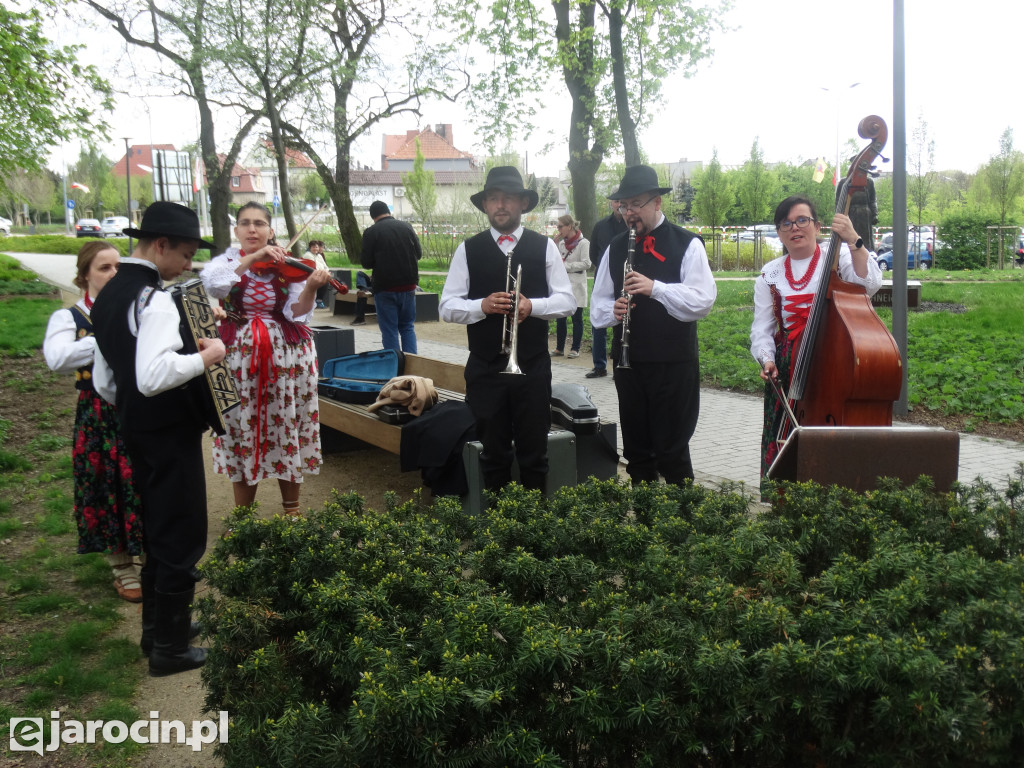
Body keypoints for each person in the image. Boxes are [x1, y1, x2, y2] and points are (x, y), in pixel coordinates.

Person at [90, 202, 227, 676]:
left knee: (157, 527)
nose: (188, 266)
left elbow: (106, 380)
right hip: (168, 432)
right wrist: (210, 355)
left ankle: (158, 630)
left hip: (136, 428)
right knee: (182, 531)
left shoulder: (108, 294)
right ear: (161, 245)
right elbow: (152, 374)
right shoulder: (156, 299)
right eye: (186, 254)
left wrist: (134, 410)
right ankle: (169, 649)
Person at [439, 166, 575, 491]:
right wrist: (480, 306)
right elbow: (446, 307)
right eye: (494, 198)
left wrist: (534, 306)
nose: (501, 205)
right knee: (493, 457)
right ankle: (500, 533)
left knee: (534, 456)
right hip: (486, 369)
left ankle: (531, 532)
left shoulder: (544, 247)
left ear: (522, 204)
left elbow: (567, 301)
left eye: (508, 199)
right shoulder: (467, 249)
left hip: (532, 367)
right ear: (485, 205)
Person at [201, 201, 329, 518]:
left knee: (287, 424)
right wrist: (256, 257)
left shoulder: (288, 265)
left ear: (271, 230)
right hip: (239, 358)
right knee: (242, 428)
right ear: (236, 230)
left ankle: (292, 511)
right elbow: (215, 283)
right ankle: (244, 516)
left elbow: (298, 313)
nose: (252, 229)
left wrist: (311, 287)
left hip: (286, 358)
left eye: (259, 223)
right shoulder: (228, 261)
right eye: (245, 223)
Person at [591, 165, 717, 486]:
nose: (628, 212)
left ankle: (681, 525)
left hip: (673, 365)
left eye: (636, 204)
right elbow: (597, 309)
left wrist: (655, 288)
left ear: (657, 203)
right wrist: (613, 310)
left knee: (673, 452)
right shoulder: (615, 247)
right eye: (624, 206)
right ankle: (646, 526)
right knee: (637, 454)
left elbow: (703, 301)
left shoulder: (687, 244)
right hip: (629, 365)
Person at [751, 195, 883, 479]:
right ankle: (783, 496)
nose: (795, 228)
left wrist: (854, 239)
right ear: (779, 233)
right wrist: (767, 360)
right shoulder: (768, 275)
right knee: (784, 431)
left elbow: (869, 285)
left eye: (802, 220)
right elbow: (761, 330)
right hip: (789, 367)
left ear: (818, 226)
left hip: (833, 356)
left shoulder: (838, 256)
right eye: (786, 223)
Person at [43, 241, 143, 603]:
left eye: (119, 267)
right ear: (85, 273)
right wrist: (105, 339)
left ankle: (150, 553)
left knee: (142, 479)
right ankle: (121, 564)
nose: (114, 274)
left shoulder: (136, 309)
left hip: (137, 406)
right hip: (97, 414)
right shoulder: (68, 318)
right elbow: (57, 358)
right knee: (105, 483)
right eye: (104, 268)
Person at [361, 200, 422, 352]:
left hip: (385, 288)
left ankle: (396, 367)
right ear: (388, 211)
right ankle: (412, 366)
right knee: (407, 327)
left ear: (373, 216)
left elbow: (366, 263)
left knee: (389, 330)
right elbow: (419, 254)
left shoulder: (371, 232)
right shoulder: (407, 227)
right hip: (409, 286)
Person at [586, 199, 627, 378]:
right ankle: (599, 365)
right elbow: (593, 253)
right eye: (616, 201)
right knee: (599, 323)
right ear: (611, 203)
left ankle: (619, 362)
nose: (618, 205)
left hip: (625, 280)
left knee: (622, 320)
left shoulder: (631, 224)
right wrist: (606, 270)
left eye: (622, 201)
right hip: (603, 280)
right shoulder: (601, 225)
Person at [551, 214, 591, 359]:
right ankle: (559, 348)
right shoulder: (561, 244)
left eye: (560, 226)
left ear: (569, 226)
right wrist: (554, 245)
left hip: (577, 285)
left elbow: (587, 263)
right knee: (560, 317)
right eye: (557, 227)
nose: (559, 229)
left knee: (577, 318)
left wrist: (567, 266)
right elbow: (555, 261)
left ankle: (575, 348)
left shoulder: (583, 243)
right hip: (563, 285)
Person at [304, 240, 330, 308]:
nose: (316, 249)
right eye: (314, 247)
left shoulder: (319, 256)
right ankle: (318, 300)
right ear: (310, 248)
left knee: (328, 281)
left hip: (321, 274)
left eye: (317, 247)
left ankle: (319, 300)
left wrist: (326, 272)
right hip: (311, 275)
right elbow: (313, 268)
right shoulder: (308, 255)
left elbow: (325, 266)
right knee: (324, 282)